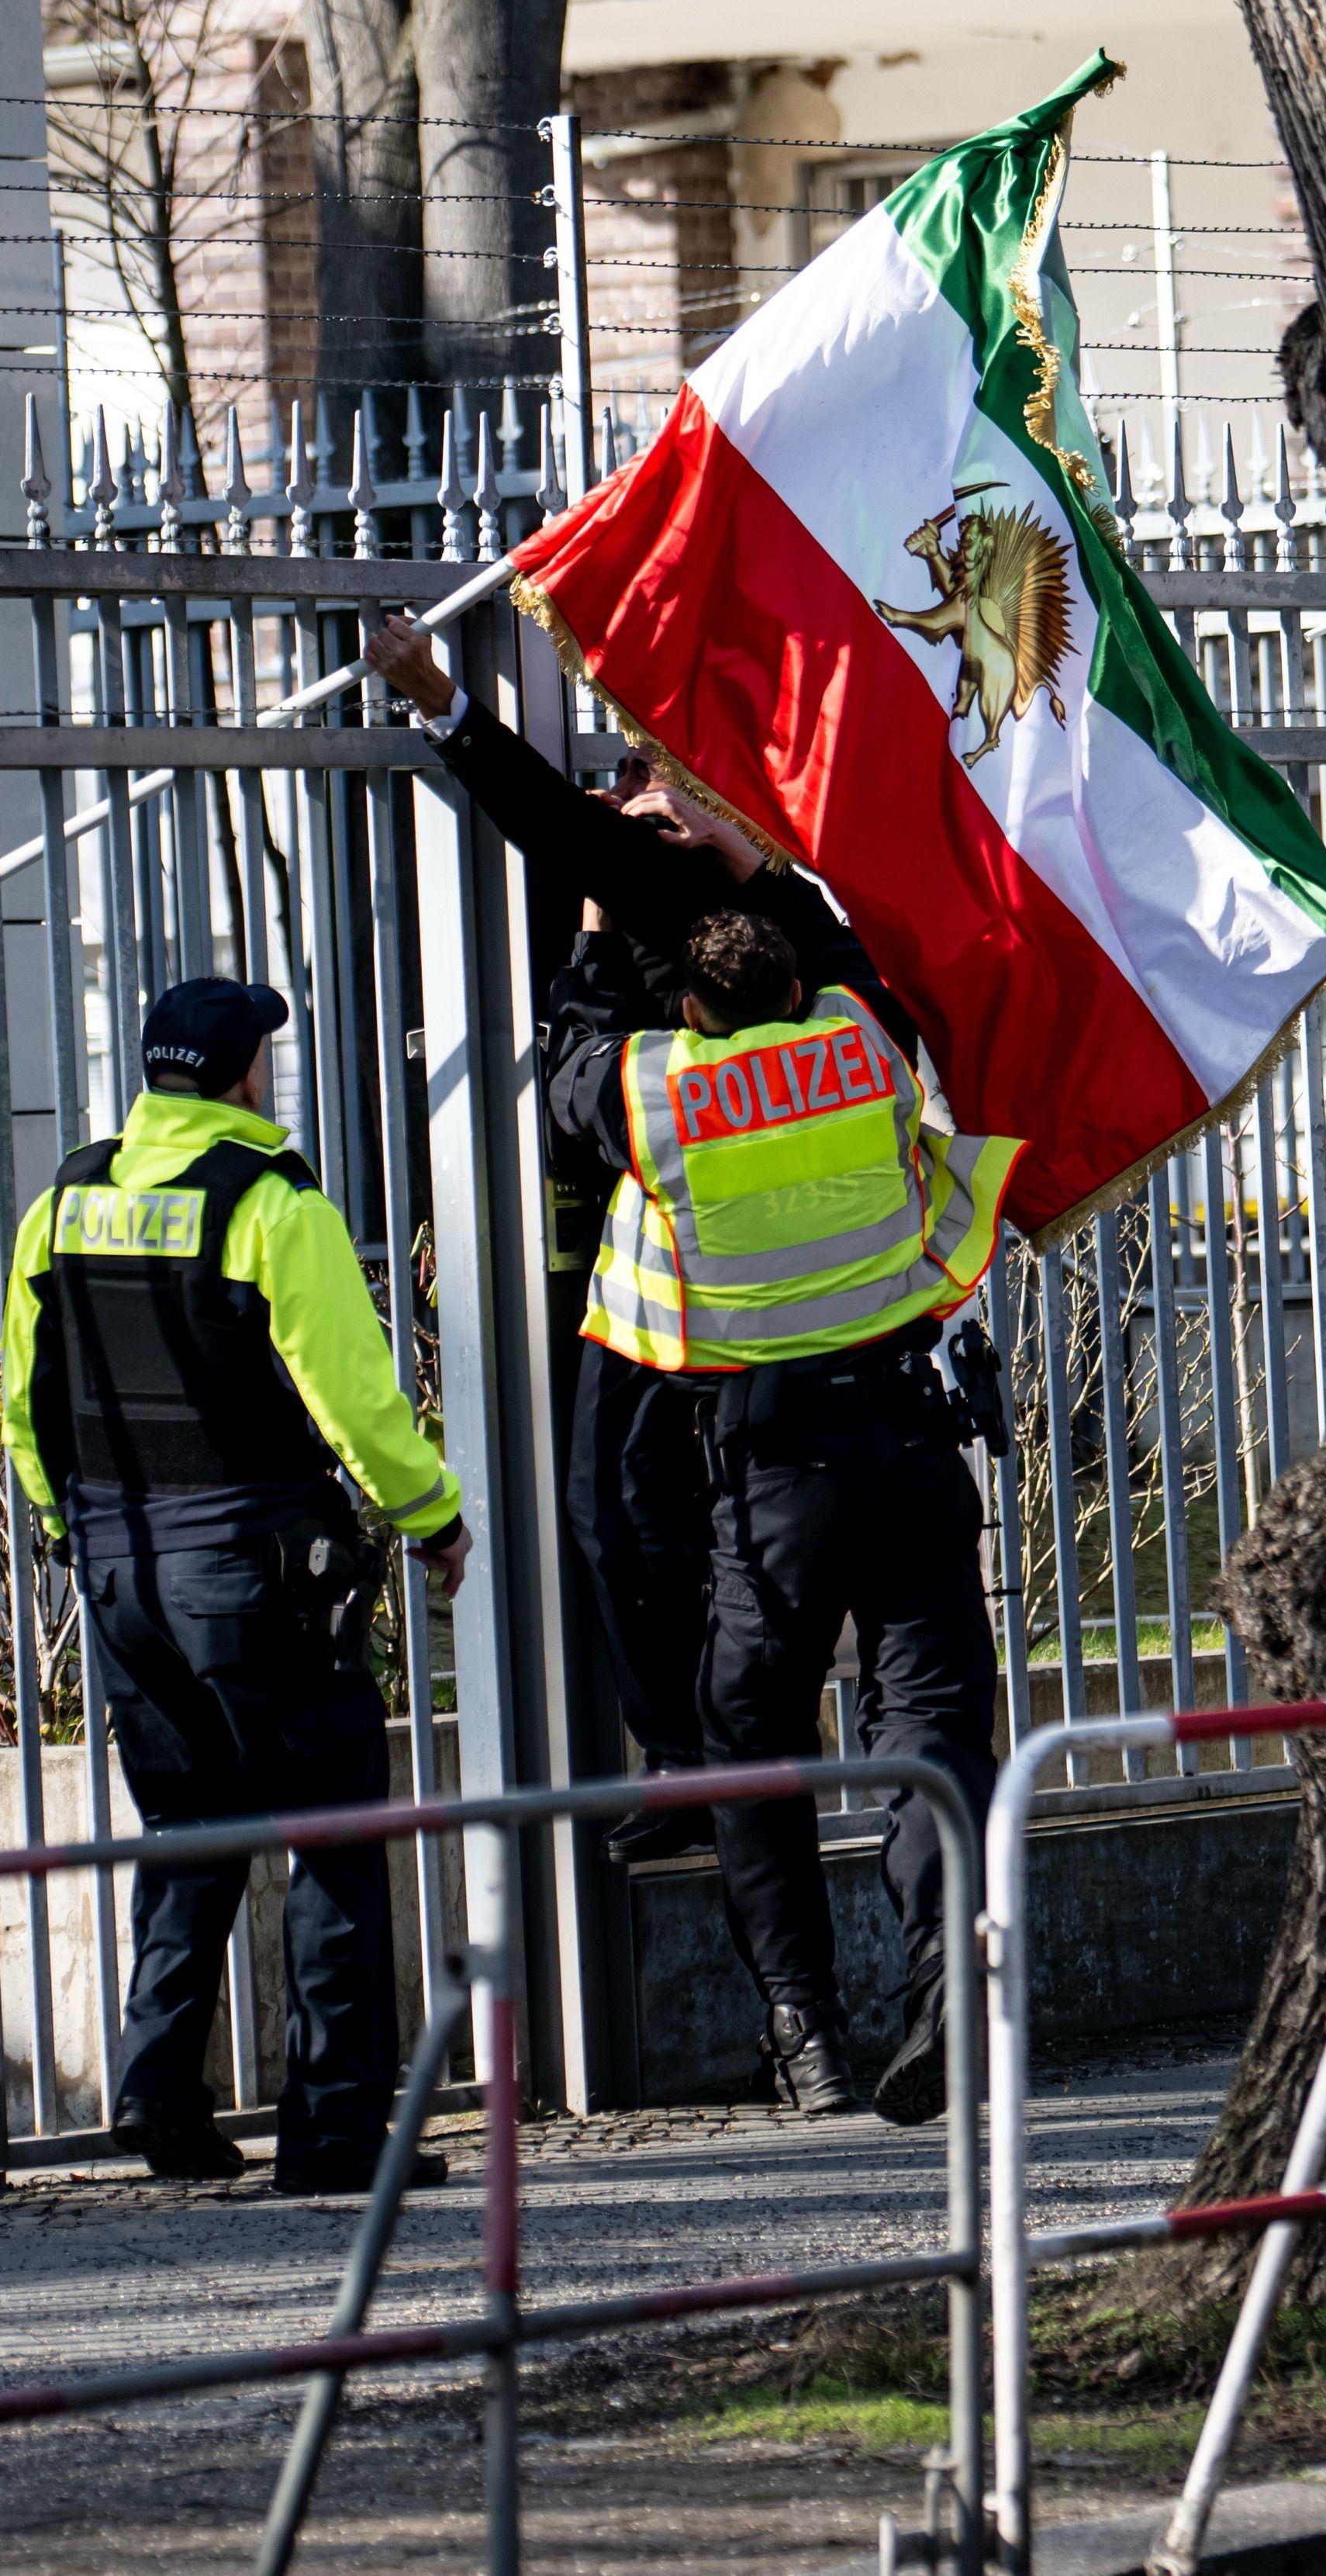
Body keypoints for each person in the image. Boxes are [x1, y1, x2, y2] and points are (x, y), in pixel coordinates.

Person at [360, 608, 924, 1868]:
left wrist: (446, 704)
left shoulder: (718, 890)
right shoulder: (778, 930)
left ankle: (709, 1760)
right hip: (722, 1290)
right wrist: (722, 870)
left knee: (669, 1520)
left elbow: (566, 890)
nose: (623, 789)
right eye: (621, 768)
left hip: (720, 1299)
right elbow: (840, 975)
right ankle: (697, 1757)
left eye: (645, 768)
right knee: (634, 1509)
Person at [544, 902, 1020, 2123]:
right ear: (798, 991)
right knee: (933, 1726)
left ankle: (805, 2033)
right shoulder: (860, 1042)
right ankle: (946, 1977)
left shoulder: (664, 1090)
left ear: (691, 1011)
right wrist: (755, 869)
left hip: (775, 1481)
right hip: (912, 1443)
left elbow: (574, 1062)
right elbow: (864, 962)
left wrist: (597, 935)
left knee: (751, 1741)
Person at [0, 977, 475, 2194]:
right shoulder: (270, 1200)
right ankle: (334, 2132)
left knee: (188, 1826)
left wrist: (70, 1528)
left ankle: (160, 2095)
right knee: (333, 1830)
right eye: (266, 1055)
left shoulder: (65, 1199)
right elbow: (351, 1393)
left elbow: (25, 1400)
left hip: (119, 1570)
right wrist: (429, 1513)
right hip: (253, 1571)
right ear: (240, 1073)